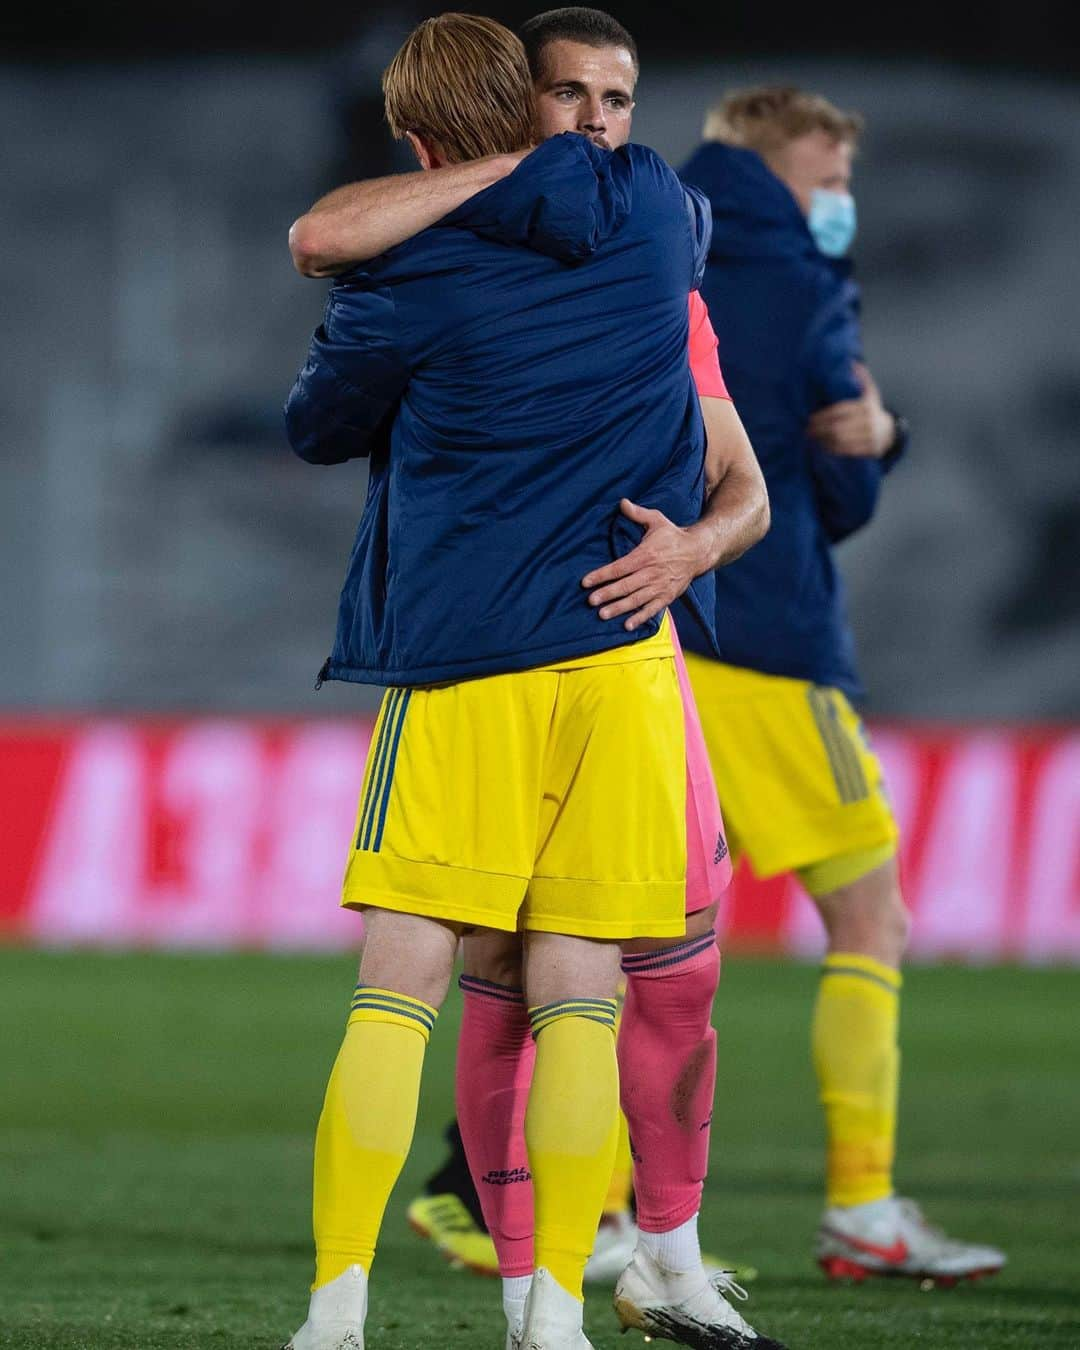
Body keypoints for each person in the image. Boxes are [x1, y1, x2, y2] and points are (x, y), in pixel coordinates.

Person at [282, 14, 779, 1350]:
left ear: (423, 141)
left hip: (466, 663)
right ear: (542, 111)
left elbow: (318, 396)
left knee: (401, 981)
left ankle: (336, 1314)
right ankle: (550, 1313)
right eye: (579, 96)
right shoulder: (663, 214)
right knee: (583, 993)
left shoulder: (410, 271)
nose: (602, 114)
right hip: (619, 664)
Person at [676, 85, 1006, 1284]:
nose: (839, 203)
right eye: (827, 178)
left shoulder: (646, 247)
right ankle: (862, 1208)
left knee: (628, 942)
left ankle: (599, 1212)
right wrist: (888, 437)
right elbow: (844, 478)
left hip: (640, 626)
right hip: (765, 633)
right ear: (774, 173)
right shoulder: (805, 285)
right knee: (871, 913)